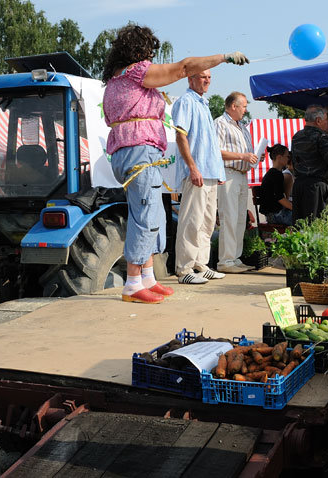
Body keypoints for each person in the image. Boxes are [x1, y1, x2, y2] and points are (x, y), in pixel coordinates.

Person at [102, 23, 248, 303]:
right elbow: (183, 67)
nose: (151, 59)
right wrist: (225, 57)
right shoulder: (136, 72)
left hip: (131, 151)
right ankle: (133, 283)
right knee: (145, 215)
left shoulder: (115, 80)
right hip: (139, 151)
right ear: (140, 50)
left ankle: (147, 277)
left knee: (153, 213)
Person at [172, 70, 227, 284]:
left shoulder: (203, 103)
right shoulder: (186, 101)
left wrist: (218, 171)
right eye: (203, 76)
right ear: (190, 79)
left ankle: (200, 264)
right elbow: (180, 135)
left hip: (210, 172)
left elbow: (210, 143)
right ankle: (184, 268)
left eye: (210, 77)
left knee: (207, 222)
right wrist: (193, 168)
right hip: (197, 172)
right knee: (191, 221)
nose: (207, 80)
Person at [214, 91, 257, 273]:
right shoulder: (220, 123)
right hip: (228, 172)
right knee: (229, 217)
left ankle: (235, 257)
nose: (245, 110)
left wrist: (254, 156)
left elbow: (245, 152)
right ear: (233, 106)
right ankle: (225, 260)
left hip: (241, 174)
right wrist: (242, 156)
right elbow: (215, 150)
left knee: (240, 218)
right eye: (244, 106)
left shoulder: (242, 127)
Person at [291, 105, 328, 224]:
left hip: (299, 185)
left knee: (300, 226)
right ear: (318, 121)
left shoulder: (297, 136)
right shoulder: (321, 137)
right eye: (326, 120)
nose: (327, 123)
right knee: (317, 225)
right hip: (316, 187)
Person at [259, 144, 292, 225]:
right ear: (279, 157)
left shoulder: (273, 173)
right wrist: (295, 208)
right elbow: (280, 198)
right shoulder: (276, 174)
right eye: (287, 156)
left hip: (272, 215)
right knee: (303, 218)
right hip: (275, 215)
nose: (288, 159)